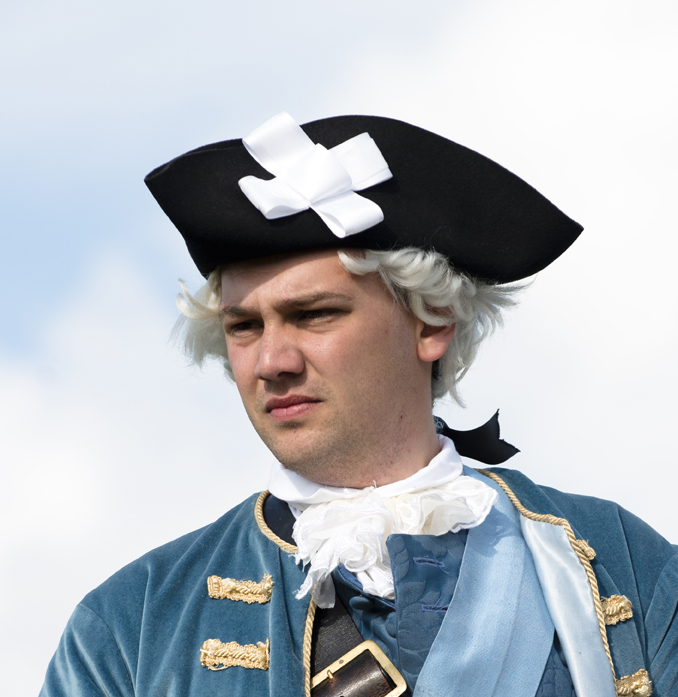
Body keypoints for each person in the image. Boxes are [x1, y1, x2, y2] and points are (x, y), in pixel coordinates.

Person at [40, 113, 676, 697]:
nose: (272, 361)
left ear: (432, 322)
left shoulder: (624, 563)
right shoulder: (129, 627)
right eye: (244, 327)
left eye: (314, 314)